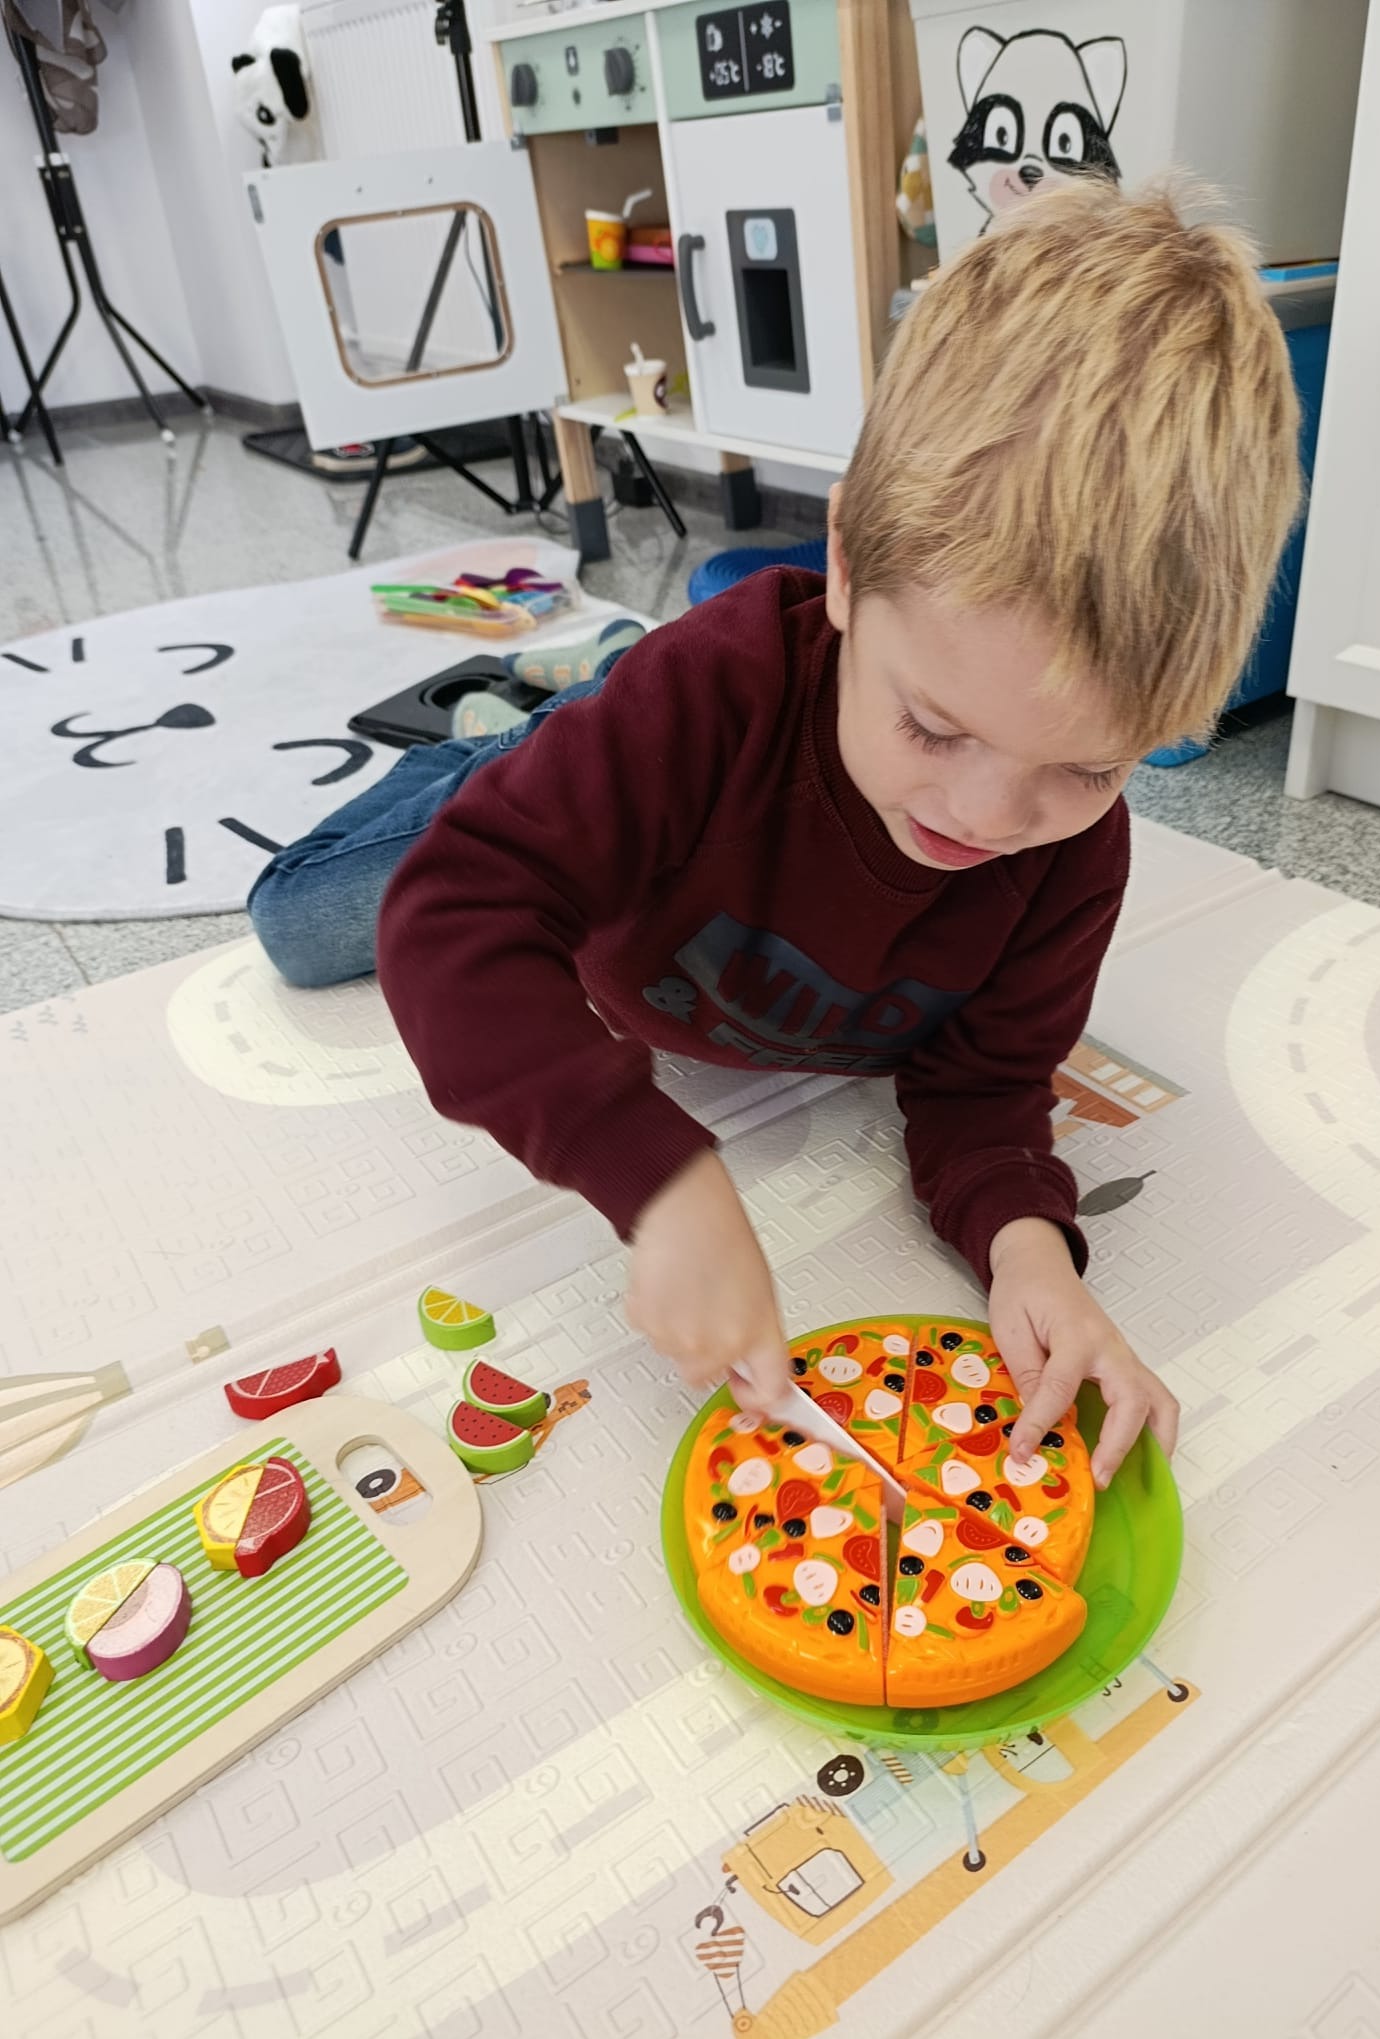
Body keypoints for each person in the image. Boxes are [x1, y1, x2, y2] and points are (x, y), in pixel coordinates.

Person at [251, 180, 1301, 1485]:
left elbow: (983, 1091)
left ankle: (570, 737)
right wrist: (660, 1180)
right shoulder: (723, 697)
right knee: (299, 930)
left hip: (695, 862)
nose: (988, 816)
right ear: (849, 563)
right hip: (639, 778)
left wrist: (1030, 1248)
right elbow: (457, 920)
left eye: (1084, 767)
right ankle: (512, 736)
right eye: (932, 726)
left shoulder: (1072, 852)